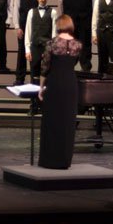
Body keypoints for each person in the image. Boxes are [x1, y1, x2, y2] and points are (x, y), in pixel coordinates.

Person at [38, 15, 82, 169]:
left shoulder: (51, 44)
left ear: (58, 25)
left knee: (52, 120)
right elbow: (74, 63)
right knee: (67, 122)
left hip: (55, 83)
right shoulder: (78, 45)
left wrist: (41, 87)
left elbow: (45, 67)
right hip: (70, 85)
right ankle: (64, 160)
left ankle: (50, 160)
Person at [59, 0, 97, 72]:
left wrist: (94, 21)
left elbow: (95, 3)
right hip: (70, 25)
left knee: (85, 46)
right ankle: (69, 71)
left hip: (86, 22)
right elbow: (60, 4)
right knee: (70, 47)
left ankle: (86, 70)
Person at [24, 0, 57, 84]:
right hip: (34, 47)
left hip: (47, 47)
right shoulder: (31, 12)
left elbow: (54, 33)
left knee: (48, 73)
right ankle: (34, 98)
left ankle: (46, 97)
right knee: (34, 74)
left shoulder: (53, 12)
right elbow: (28, 31)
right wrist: (27, 50)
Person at [12, 0, 39, 85]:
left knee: (36, 52)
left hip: (36, 27)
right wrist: (17, 27)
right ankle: (19, 78)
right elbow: (15, 11)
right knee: (22, 52)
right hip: (22, 27)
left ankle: (35, 79)